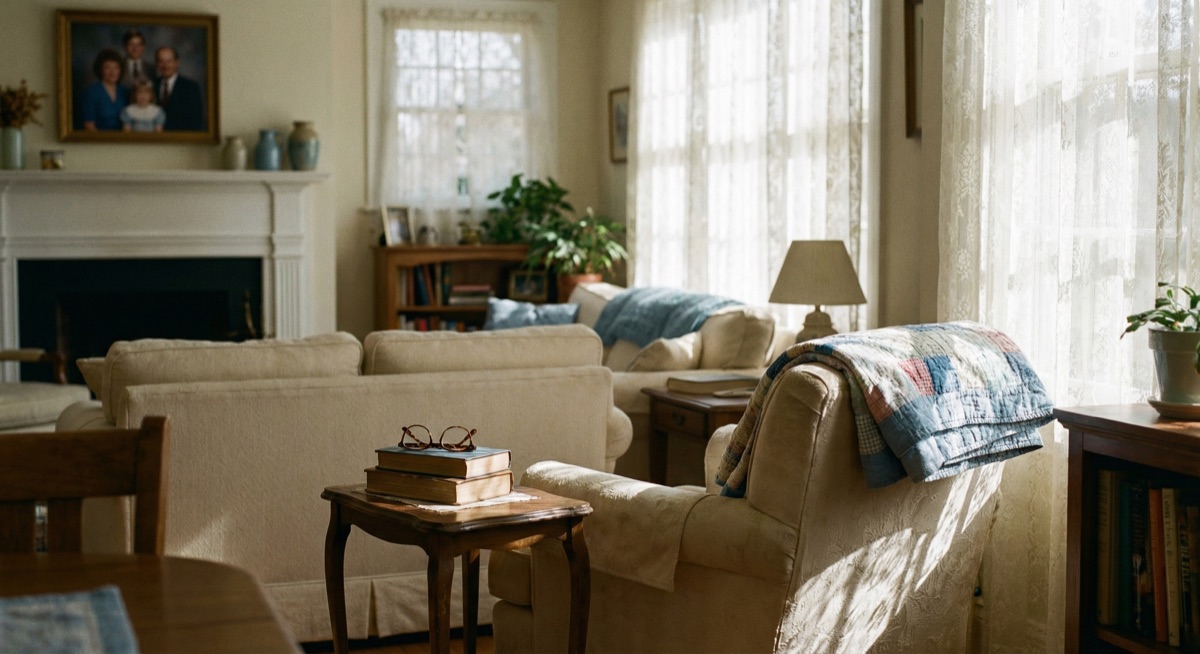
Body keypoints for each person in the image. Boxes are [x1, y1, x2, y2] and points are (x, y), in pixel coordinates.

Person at [154, 46, 204, 131]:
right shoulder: (151, 85)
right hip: (154, 141)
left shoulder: (191, 87)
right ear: (156, 64)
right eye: (161, 61)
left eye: (169, 61)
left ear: (177, 62)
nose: (165, 65)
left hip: (181, 140)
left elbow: (196, 121)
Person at [80, 48, 128, 131]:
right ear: (100, 69)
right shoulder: (91, 92)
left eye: (116, 68)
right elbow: (89, 126)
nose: (112, 72)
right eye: (107, 68)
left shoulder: (125, 92)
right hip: (99, 141)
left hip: (123, 141)